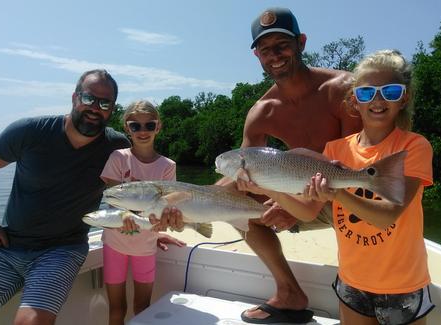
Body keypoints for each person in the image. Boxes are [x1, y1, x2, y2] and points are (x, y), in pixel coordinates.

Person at [153, 7, 362, 324]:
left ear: (301, 43)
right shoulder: (262, 111)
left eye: (282, 45)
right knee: (240, 207)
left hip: (348, 193)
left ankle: (366, 292)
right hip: (301, 192)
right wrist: (186, 204)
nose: (274, 56)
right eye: (266, 50)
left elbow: (355, 165)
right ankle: (289, 292)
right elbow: (242, 178)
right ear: (257, 56)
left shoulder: (341, 89)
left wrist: (294, 207)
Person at [241, 49, 435, 324]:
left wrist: (337, 194)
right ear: (354, 100)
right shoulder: (335, 150)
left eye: (389, 92)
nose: (377, 100)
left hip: (402, 284)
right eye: (367, 93)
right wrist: (268, 189)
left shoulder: (413, 147)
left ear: (404, 97)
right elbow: (308, 213)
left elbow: (388, 214)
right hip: (352, 282)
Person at [0, 69, 132, 325]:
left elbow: (141, 193)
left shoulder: (117, 148)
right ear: (75, 97)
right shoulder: (30, 131)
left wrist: (155, 226)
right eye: (89, 98)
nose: (95, 107)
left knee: (30, 323)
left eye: (104, 103)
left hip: (62, 250)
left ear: (112, 109)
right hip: (5, 246)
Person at [99, 100, 185, 325]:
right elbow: (112, 197)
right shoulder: (118, 158)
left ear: (158, 127)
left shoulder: (168, 166)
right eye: (135, 126)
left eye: (149, 125)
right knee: (117, 308)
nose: (142, 131)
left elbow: (166, 207)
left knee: (142, 308)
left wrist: (166, 223)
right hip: (114, 243)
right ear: (127, 128)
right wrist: (126, 215)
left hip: (146, 246)